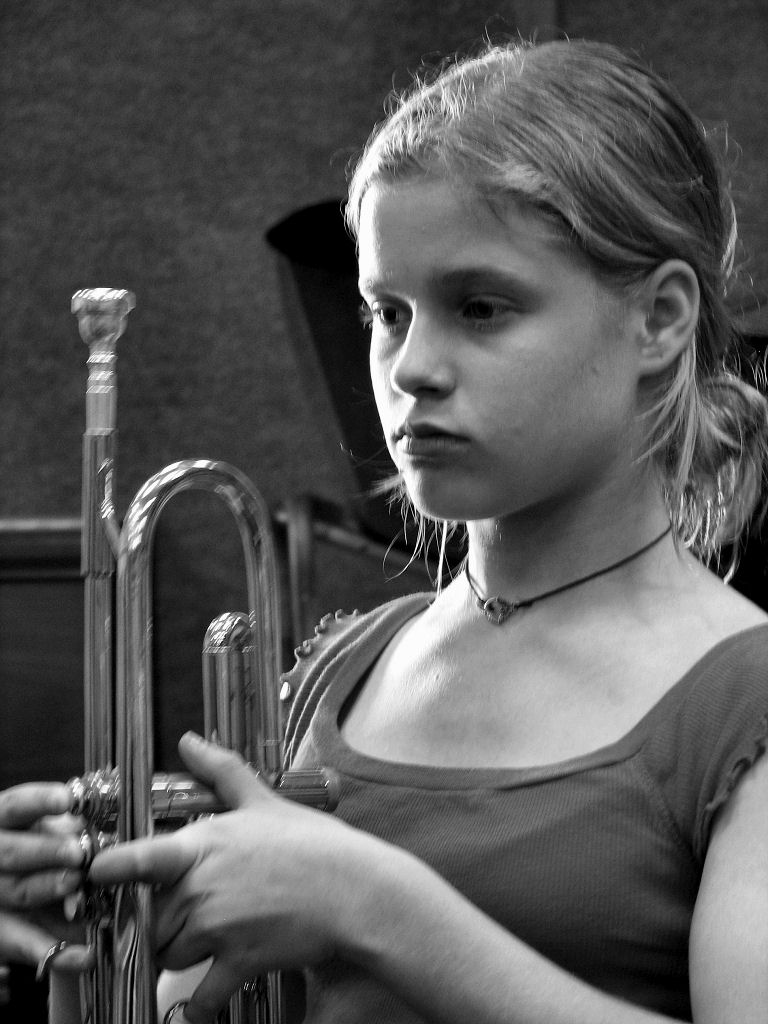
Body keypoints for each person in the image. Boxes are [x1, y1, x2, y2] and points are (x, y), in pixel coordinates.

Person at [2, 37, 768, 1024]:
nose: (409, 368)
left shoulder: (743, 701)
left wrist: (369, 903)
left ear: (658, 319)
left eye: (480, 308)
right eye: (387, 312)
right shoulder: (344, 668)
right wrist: (86, 945)